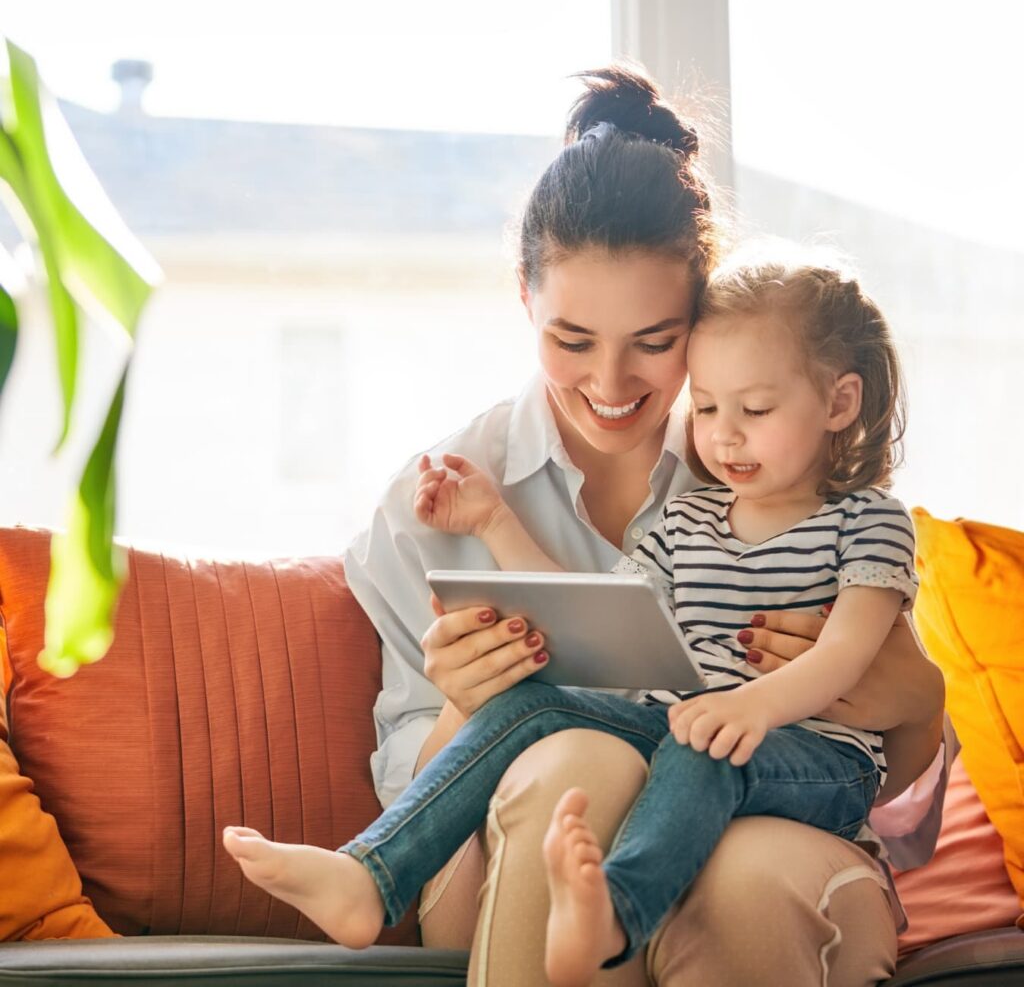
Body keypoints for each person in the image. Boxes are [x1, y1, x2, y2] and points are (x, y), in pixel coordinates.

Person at [225, 66, 947, 986]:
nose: (611, 386)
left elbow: (908, 824)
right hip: (494, 848)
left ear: (707, 316)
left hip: (769, 809)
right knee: (577, 760)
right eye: (572, 342)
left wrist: (917, 704)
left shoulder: (783, 464)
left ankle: (619, 911)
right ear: (523, 301)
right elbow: (425, 790)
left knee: (748, 874)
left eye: (656, 342)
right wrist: (463, 701)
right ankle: (400, 882)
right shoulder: (439, 500)